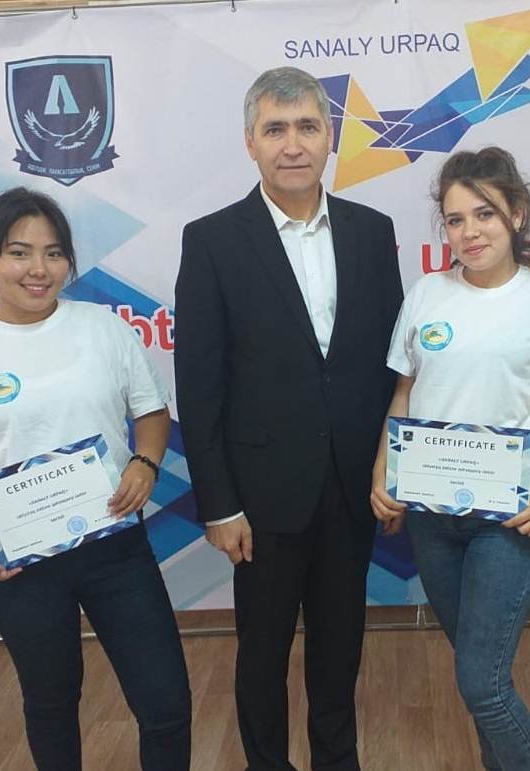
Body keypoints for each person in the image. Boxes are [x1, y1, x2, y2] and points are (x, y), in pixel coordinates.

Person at [173, 66, 402, 770]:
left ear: (330, 137)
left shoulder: (372, 232)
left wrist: (393, 472)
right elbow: (199, 386)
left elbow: (391, 368)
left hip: (351, 488)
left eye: (307, 127)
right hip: (261, 498)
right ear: (251, 142)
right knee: (262, 655)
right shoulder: (211, 240)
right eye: (275, 129)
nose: (293, 144)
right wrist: (219, 504)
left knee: (340, 648)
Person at [0, 188, 191, 770]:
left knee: (165, 701)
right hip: (22, 563)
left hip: (115, 547)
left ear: (69, 260)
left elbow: (151, 413)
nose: (38, 269)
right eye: (19, 253)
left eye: (53, 253)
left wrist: (145, 463)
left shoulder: (104, 329)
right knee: (51, 703)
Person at [370, 147, 530, 771]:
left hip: (510, 514)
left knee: (481, 684)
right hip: (432, 515)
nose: (470, 232)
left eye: (485, 214)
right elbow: (404, 393)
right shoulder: (427, 294)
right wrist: (385, 472)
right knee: (479, 672)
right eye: (455, 219)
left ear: (516, 214)